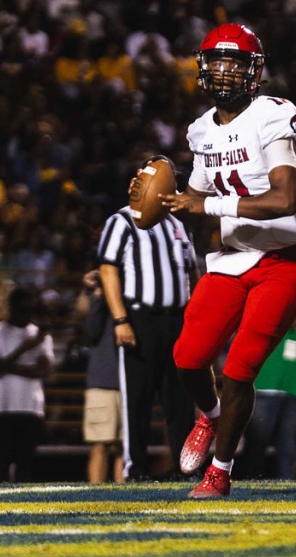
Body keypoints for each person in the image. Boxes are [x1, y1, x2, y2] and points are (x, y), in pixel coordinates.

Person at [160, 23, 296, 498]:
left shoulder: (274, 116)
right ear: (202, 67)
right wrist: (152, 206)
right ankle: (209, 418)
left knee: (240, 369)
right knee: (188, 358)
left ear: (254, 71)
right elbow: (189, 200)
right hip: (235, 257)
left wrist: (205, 206)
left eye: (234, 61)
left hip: (286, 259)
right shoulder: (202, 130)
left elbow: (283, 199)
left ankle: (222, 469)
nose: (223, 71)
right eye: (216, 61)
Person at [99, 168, 198, 482]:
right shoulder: (122, 220)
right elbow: (108, 268)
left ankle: (186, 468)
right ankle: (136, 469)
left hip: (178, 321)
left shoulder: (179, 227)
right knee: (138, 399)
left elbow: (193, 276)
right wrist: (120, 319)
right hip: (141, 320)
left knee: (180, 400)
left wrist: (196, 321)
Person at [244, 299, 296, 479]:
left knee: (288, 453)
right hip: (263, 389)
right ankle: (246, 494)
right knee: (254, 449)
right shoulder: (265, 307)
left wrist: (294, 313)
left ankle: (285, 498)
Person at [0, 287, 54, 483]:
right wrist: (24, 349)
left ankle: (23, 508)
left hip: (31, 406)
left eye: (30, 310)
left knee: (25, 463)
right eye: (22, 310)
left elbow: (44, 372)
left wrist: (7, 366)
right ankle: (1, 507)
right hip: (2, 406)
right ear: (11, 308)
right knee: (2, 463)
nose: (26, 315)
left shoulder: (40, 335)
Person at [77, 270, 125, 483]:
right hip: (102, 381)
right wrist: (96, 293)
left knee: (126, 449)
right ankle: (96, 496)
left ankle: (123, 500)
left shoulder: (136, 294)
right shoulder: (96, 296)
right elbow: (90, 332)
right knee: (100, 445)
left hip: (129, 381)